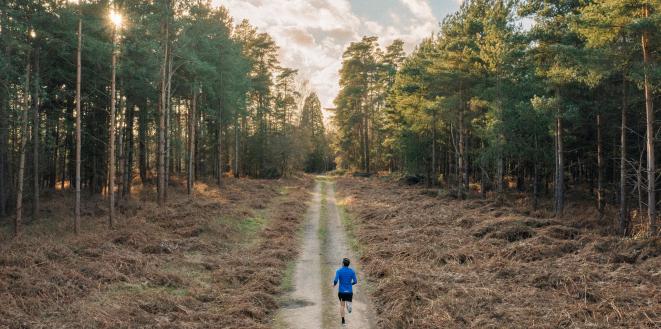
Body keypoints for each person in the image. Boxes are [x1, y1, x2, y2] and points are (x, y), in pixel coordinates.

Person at [333, 257, 357, 326]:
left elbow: (335, 280)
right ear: (348, 264)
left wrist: (334, 285)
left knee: (342, 305)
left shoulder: (339, 271)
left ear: (343, 264)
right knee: (348, 301)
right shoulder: (352, 271)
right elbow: (355, 281)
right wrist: (350, 284)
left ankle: (343, 321)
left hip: (341, 292)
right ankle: (349, 304)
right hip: (349, 291)